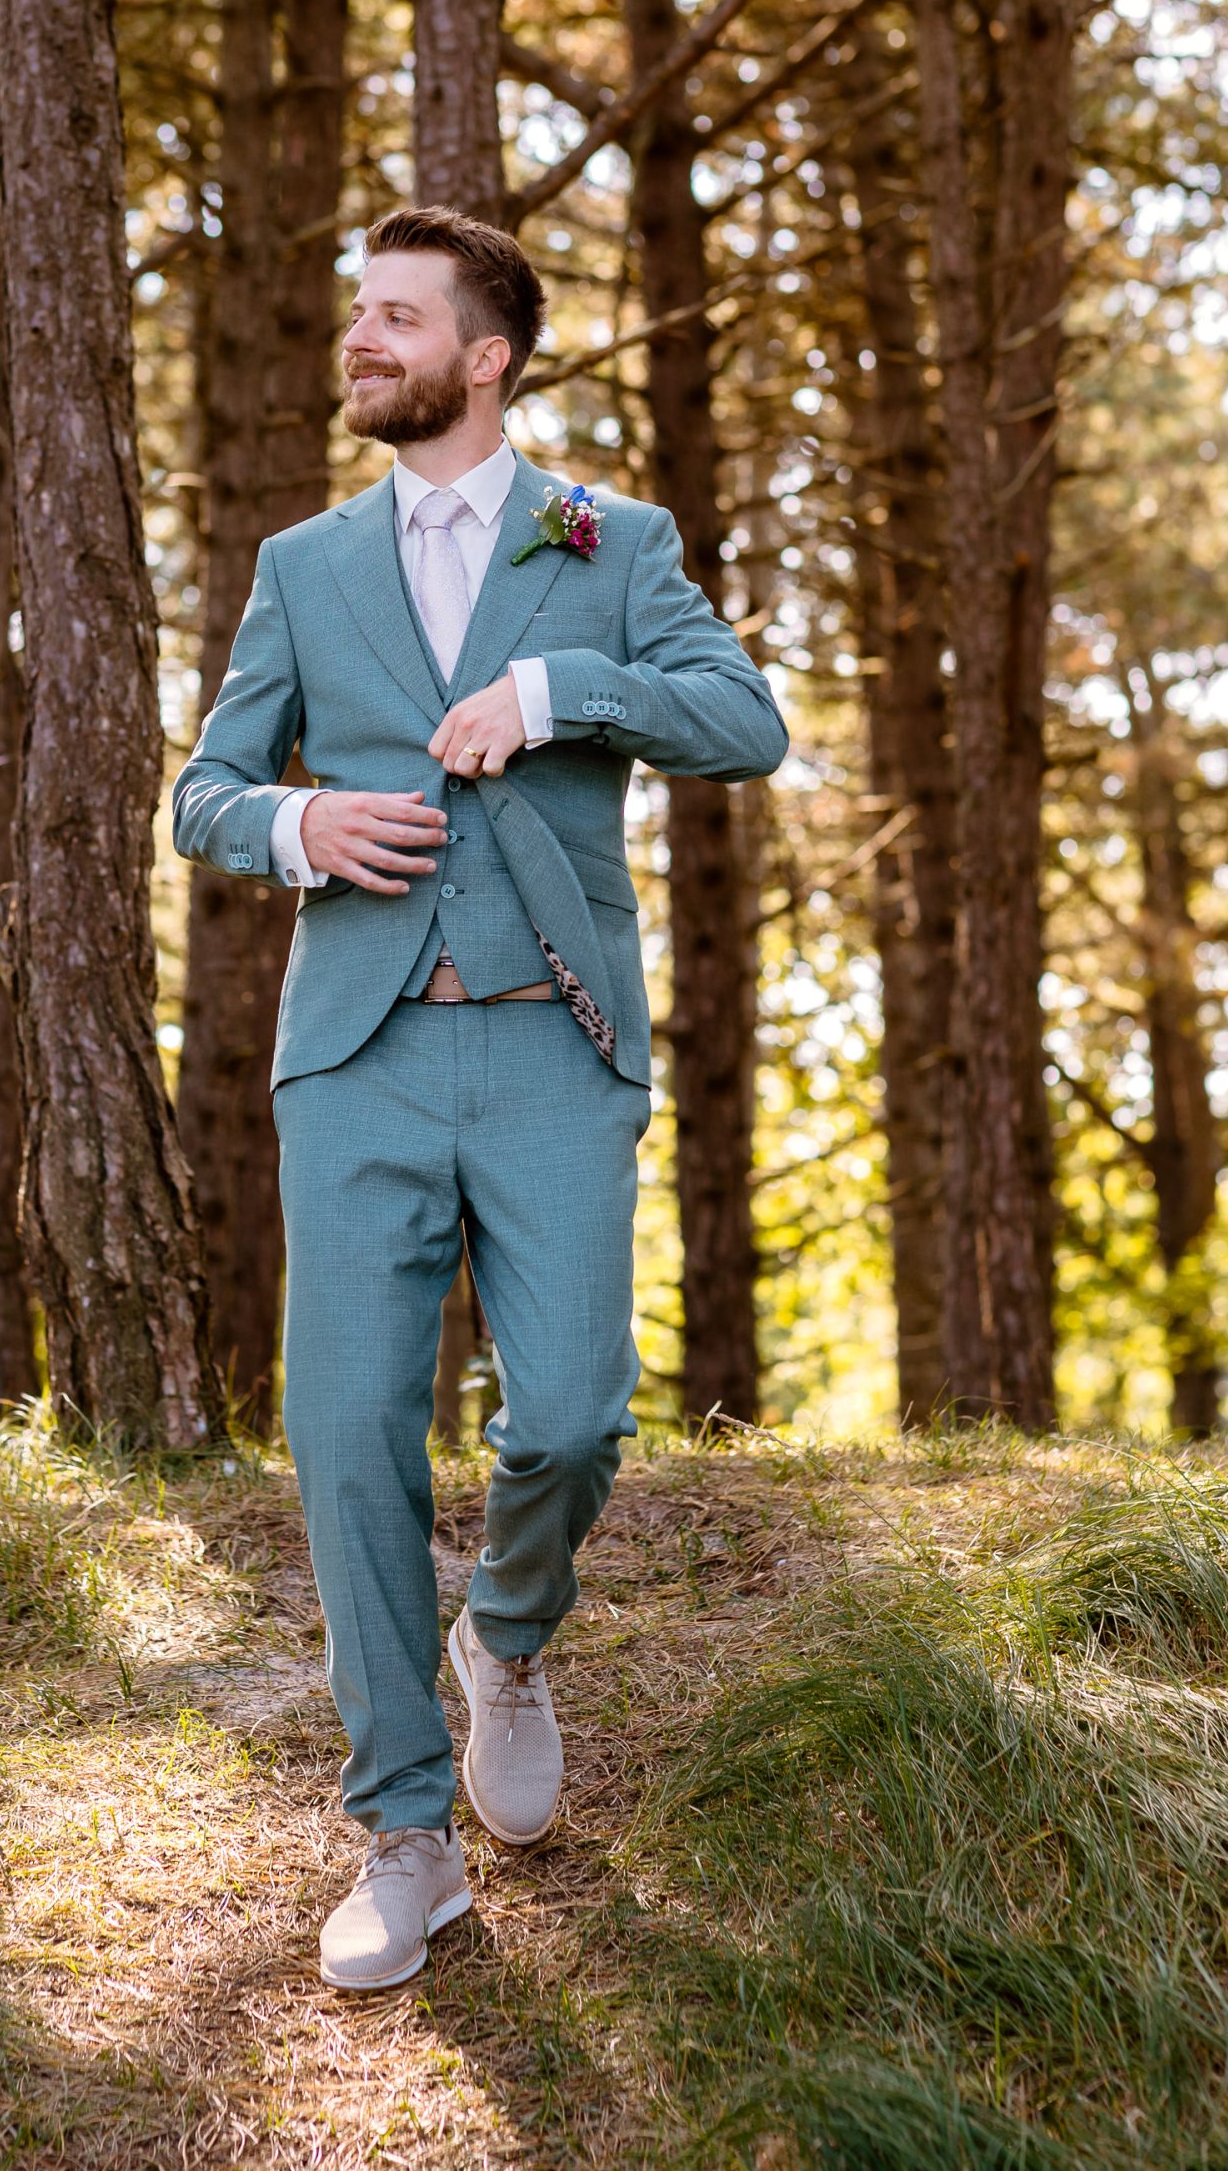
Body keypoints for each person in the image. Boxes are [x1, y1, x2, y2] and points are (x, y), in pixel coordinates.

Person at [173, 205, 787, 1990]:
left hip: (552, 1039)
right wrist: (299, 824)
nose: (360, 341)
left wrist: (558, 687)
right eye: (354, 314)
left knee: (577, 1413)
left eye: (394, 317)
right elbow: (205, 792)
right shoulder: (304, 564)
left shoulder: (612, 541)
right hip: (354, 1055)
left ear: (486, 354)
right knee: (347, 1430)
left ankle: (506, 1637)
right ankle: (405, 1834)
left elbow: (742, 721)